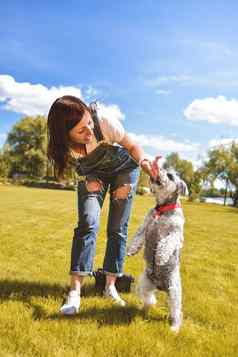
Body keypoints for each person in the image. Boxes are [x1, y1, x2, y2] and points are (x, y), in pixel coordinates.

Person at [47, 95, 153, 314]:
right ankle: (75, 292)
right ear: (65, 134)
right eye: (80, 130)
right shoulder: (62, 147)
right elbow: (71, 168)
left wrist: (144, 163)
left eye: (88, 123)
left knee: (117, 228)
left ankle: (110, 286)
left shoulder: (104, 121)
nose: (88, 131)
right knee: (87, 222)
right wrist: (87, 180)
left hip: (124, 169)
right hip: (93, 174)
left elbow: (132, 146)